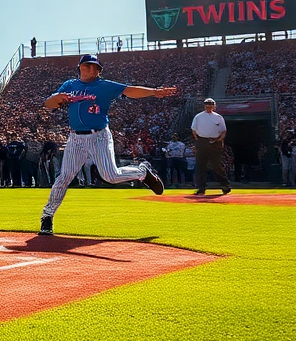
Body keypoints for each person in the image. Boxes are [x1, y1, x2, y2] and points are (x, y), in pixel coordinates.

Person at [38, 54, 171, 235]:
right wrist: (57, 97)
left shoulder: (103, 86)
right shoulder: (70, 85)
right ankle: (47, 216)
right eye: (88, 65)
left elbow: (129, 90)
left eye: (96, 67)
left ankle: (142, 172)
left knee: (111, 176)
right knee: (64, 178)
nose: (92, 69)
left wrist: (154, 92)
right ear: (80, 67)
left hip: (99, 136)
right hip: (76, 139)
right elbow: (48, 104)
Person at [191, 98, 230, 196]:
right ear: (204, 105)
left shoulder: (218, 117)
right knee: (200, 165)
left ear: (214, 106)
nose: (209, 106)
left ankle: (225, 185)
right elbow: (194, 130)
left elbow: (223, 131)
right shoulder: (198, 116)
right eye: (207, 104)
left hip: (215, 142)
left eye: (211, 104)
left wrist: (219, 140)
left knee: (217, 165)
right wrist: (199, 141)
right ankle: (201, 188)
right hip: (202, 141)